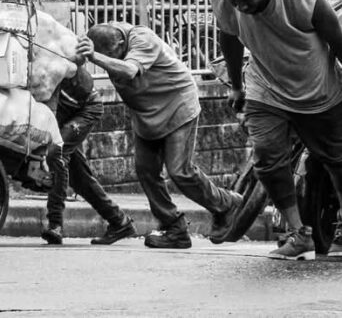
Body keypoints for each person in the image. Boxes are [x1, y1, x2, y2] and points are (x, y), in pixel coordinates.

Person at [209, 0, 342, 260]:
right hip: (265, 87)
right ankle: (299, 234)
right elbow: (228, 36)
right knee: (267, 157)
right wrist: (238, 87)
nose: (240, 6)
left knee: (337, 159)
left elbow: (337, 40)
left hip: (317, 90)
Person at [76, 22, 242, 249]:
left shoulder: (143, 39)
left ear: (121, 43)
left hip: (177, 106)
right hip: (147, 115)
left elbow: (128, 70)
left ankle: (225, 204)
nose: (108, 61)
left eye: (111, 55)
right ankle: (174, 228)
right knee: (145, 170)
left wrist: (95, 56)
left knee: (179, 170)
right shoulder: (110, 44)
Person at [41, 65, 137, 245]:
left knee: (56, 153)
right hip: (65, 109)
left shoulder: (48, 48)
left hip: (84, 108)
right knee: (78, 177)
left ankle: (55, 225)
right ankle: (119, 221)